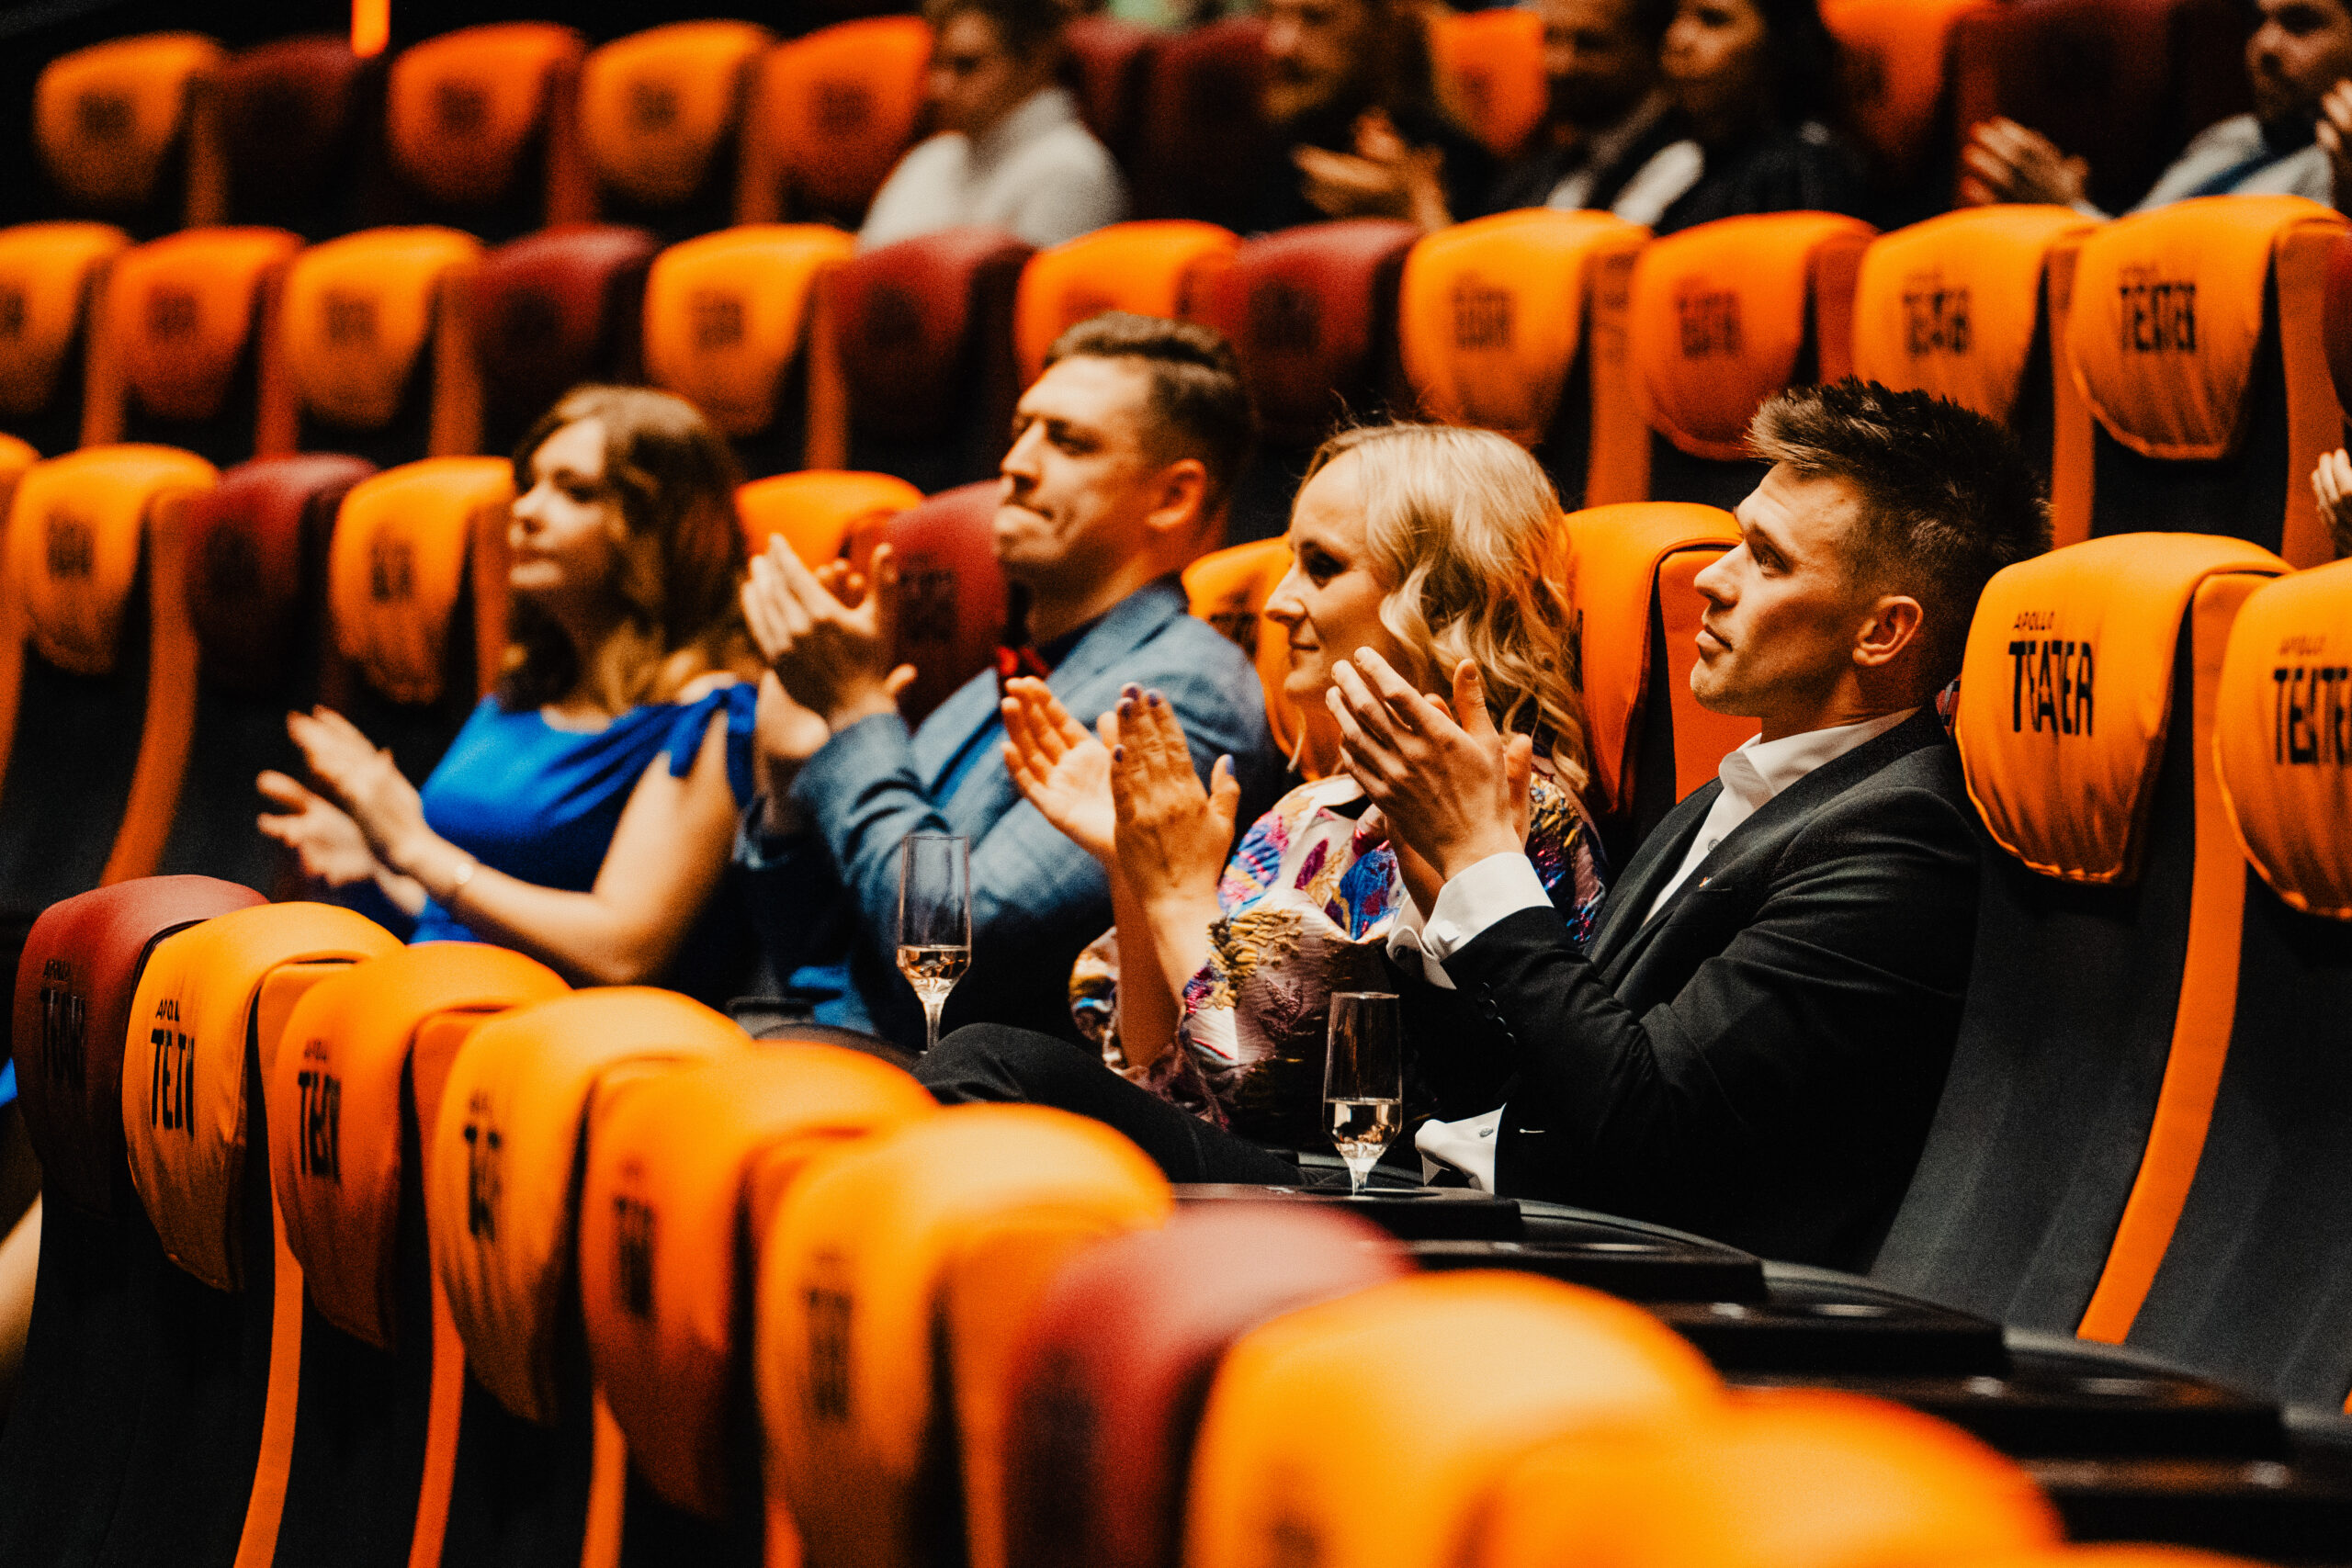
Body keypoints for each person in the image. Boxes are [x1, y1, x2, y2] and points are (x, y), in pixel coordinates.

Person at [1329, 379, 2048, 1269]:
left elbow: (1645, 1128)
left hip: (1647, 1293)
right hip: (1509, 1231)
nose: (1711, 577)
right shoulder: (1725, 796)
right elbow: (1531, 1089)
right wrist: (1448, 896)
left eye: (1766, 559)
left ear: (1883, 631)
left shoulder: (1901, 838)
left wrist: (1485, 864)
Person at [917, 423, 1607, 1182]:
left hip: (1375, 1194)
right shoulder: (1303, 811)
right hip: (1248, 1170)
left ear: (1439, 595)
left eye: (1322, 567)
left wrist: (1179, 894)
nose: (1278, 604)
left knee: (987, 1062)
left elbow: (1273, 1093)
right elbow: (1163, 1069)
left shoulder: (1508, 812)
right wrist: (1132, 865)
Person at [736, 313, 1280, 1050]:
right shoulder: (1001, 677)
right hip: (833, 1043)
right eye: (1022, 430)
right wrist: (787, 790)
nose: (1016, 464)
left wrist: (856, 713)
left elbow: (960, 952)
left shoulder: (1176, 692)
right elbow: (819, 951)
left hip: (967, 1082)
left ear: (1172, 497)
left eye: (1068, 441)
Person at [256, 386, 764, 1001]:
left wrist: (412, 848)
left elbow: (623, 951)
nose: (526, 510)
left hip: (560, 1039)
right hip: (435, 1004)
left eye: (575, 491)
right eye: (530, 484)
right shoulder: (522, 694)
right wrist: (378, 867)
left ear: (662, 530)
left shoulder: (710, 714)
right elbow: (465, 908)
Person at [1964, 0, 2352, 217]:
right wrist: (2068, 207)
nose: (2265, 46)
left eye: (2301, 25)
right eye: (2258, 22)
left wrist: (2066, 209)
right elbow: (2138, 252)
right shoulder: (2229, 137)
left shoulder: (2336, 170)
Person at [859, 0, 1128, 250]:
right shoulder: (931, 156)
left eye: (966, 65)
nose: (936, 88)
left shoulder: (1071, 173)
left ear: (1036, 60)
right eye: (936, 64)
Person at [1591, 0, 1866, 234]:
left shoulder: (1800, 171)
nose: (1677, 39)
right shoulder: (1677, 152)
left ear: (1779, 41)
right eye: (1676, 17)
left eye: (1713, 21)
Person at [1240, 0, 1498, 233]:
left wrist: (1412, 213)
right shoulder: (1271, 131)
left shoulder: (1449, 157)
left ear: (1388, 25)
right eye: (1271, 15)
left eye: (1317, 18)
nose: (1279, 45)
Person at [1482, 0, 1684, 218]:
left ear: (1653, 49)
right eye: (1550, 37)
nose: (1559, 66)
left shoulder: (1682, 162)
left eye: (1589, 44)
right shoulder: (1540, 159)